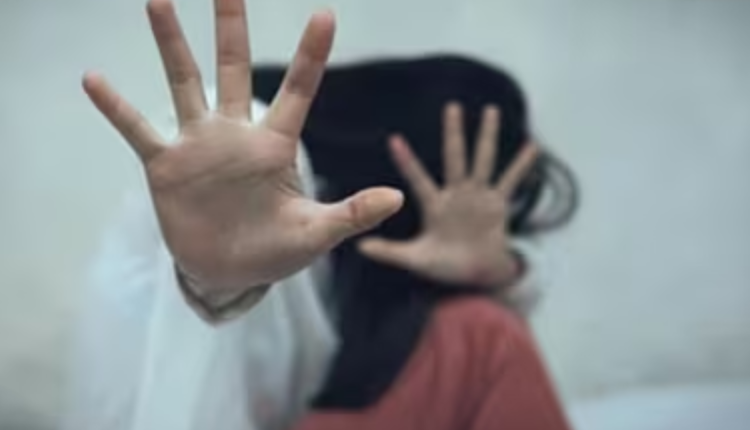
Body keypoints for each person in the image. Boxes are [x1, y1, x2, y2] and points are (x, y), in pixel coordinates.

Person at [63, 0, 573, 429]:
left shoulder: (330, 225)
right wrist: (212, 290)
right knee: (486, 333)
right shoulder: (243, 153)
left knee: (481, 329)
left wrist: (501, 274)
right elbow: (189, 382)